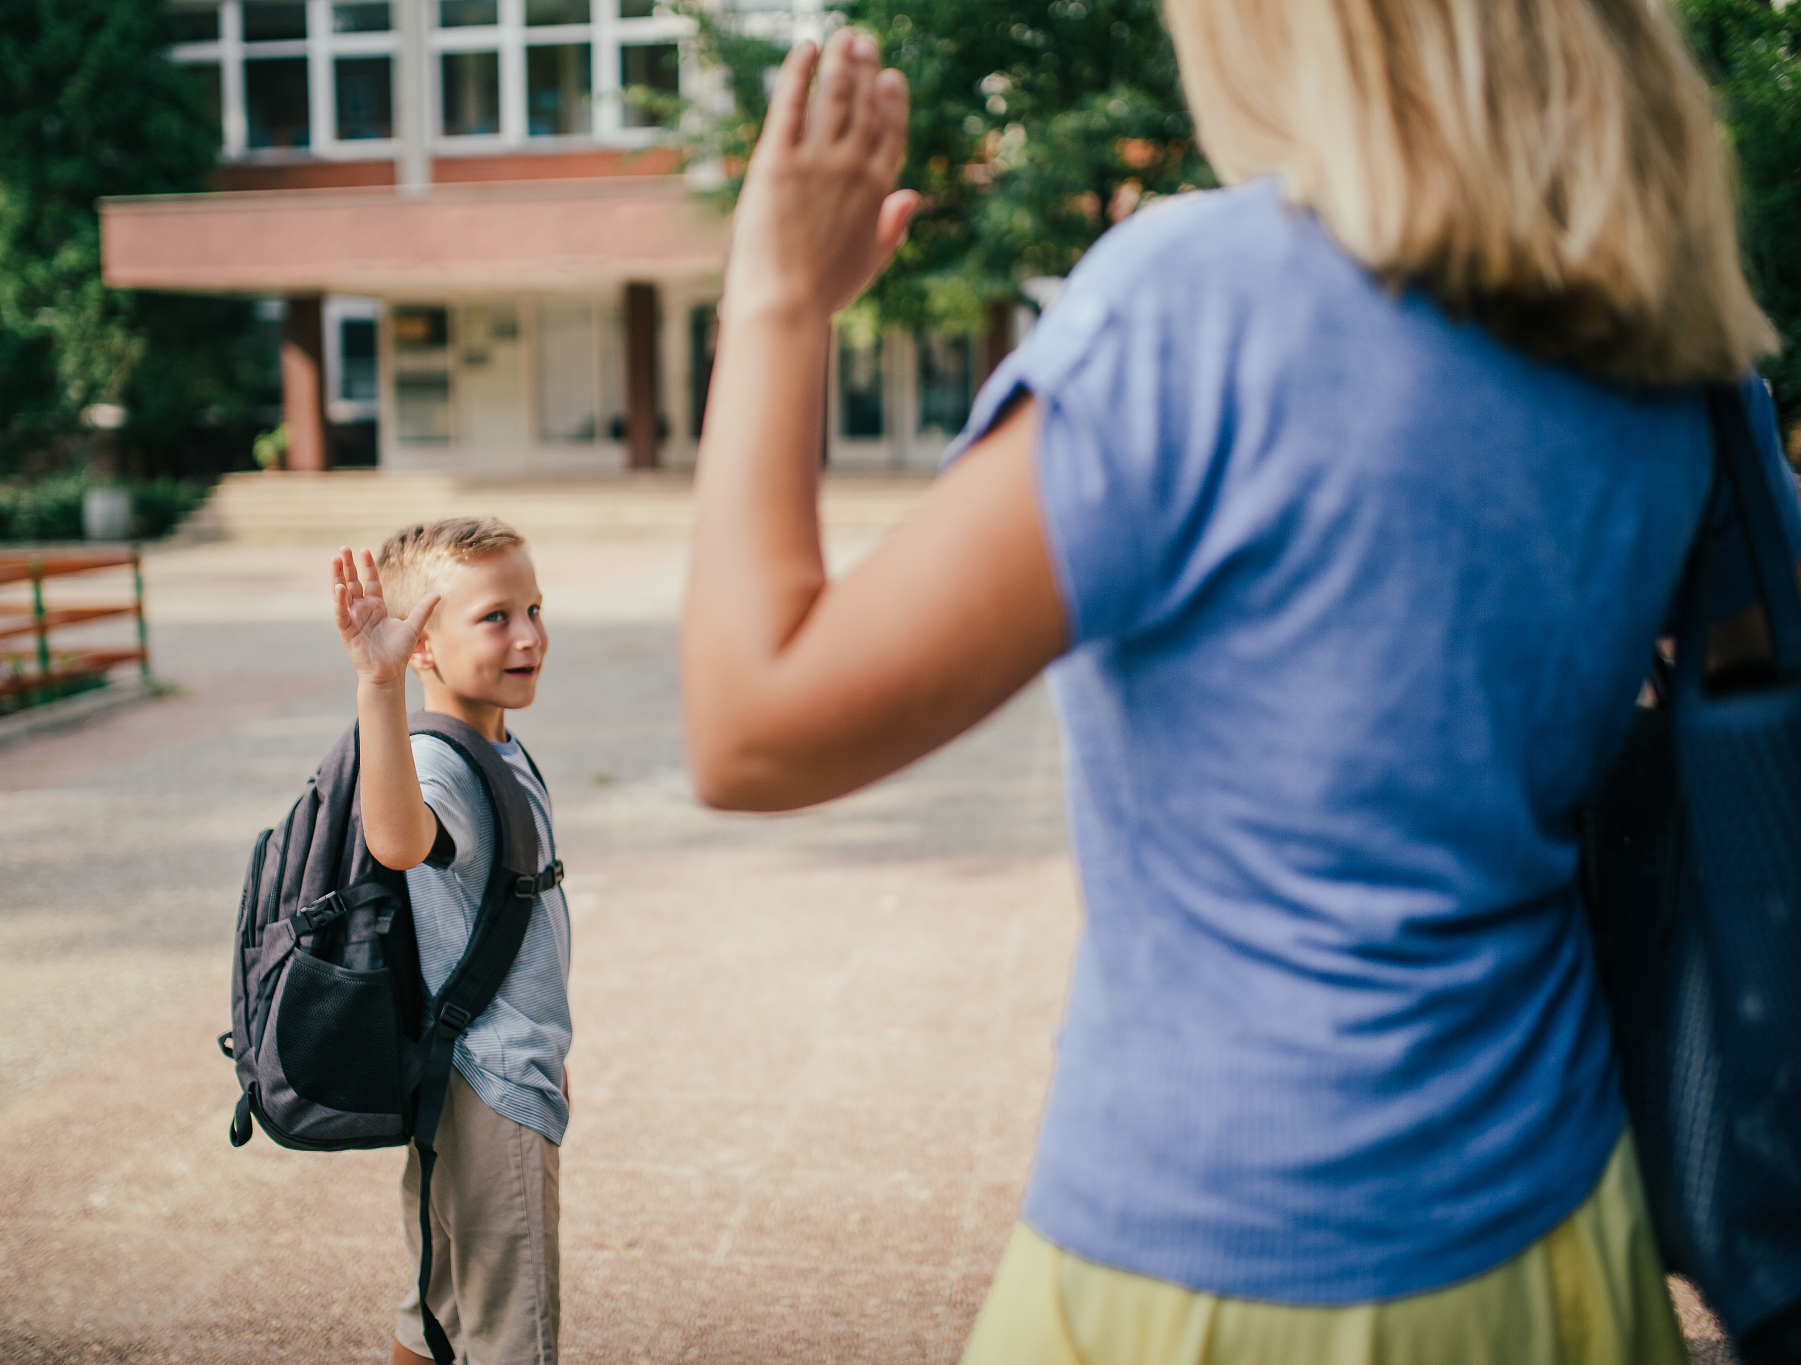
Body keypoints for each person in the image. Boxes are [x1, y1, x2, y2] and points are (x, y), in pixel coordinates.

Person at [678, 1, 1801, 1360]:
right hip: (1561, 1238)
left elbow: (754, 726)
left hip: (1210, 1267)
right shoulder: (1682, 346)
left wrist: (777, 300)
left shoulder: (1199, 305)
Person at [330, 519, 569, 1365]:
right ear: (422, 647)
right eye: (496, 617)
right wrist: (378, 686)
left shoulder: (494, 745)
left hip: (458, 1074)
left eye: (533, 608)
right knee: (511, 1328)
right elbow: (399, 837)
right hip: (493, 1085)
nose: (531, 634)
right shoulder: (441, 765)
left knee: (436, 1307)